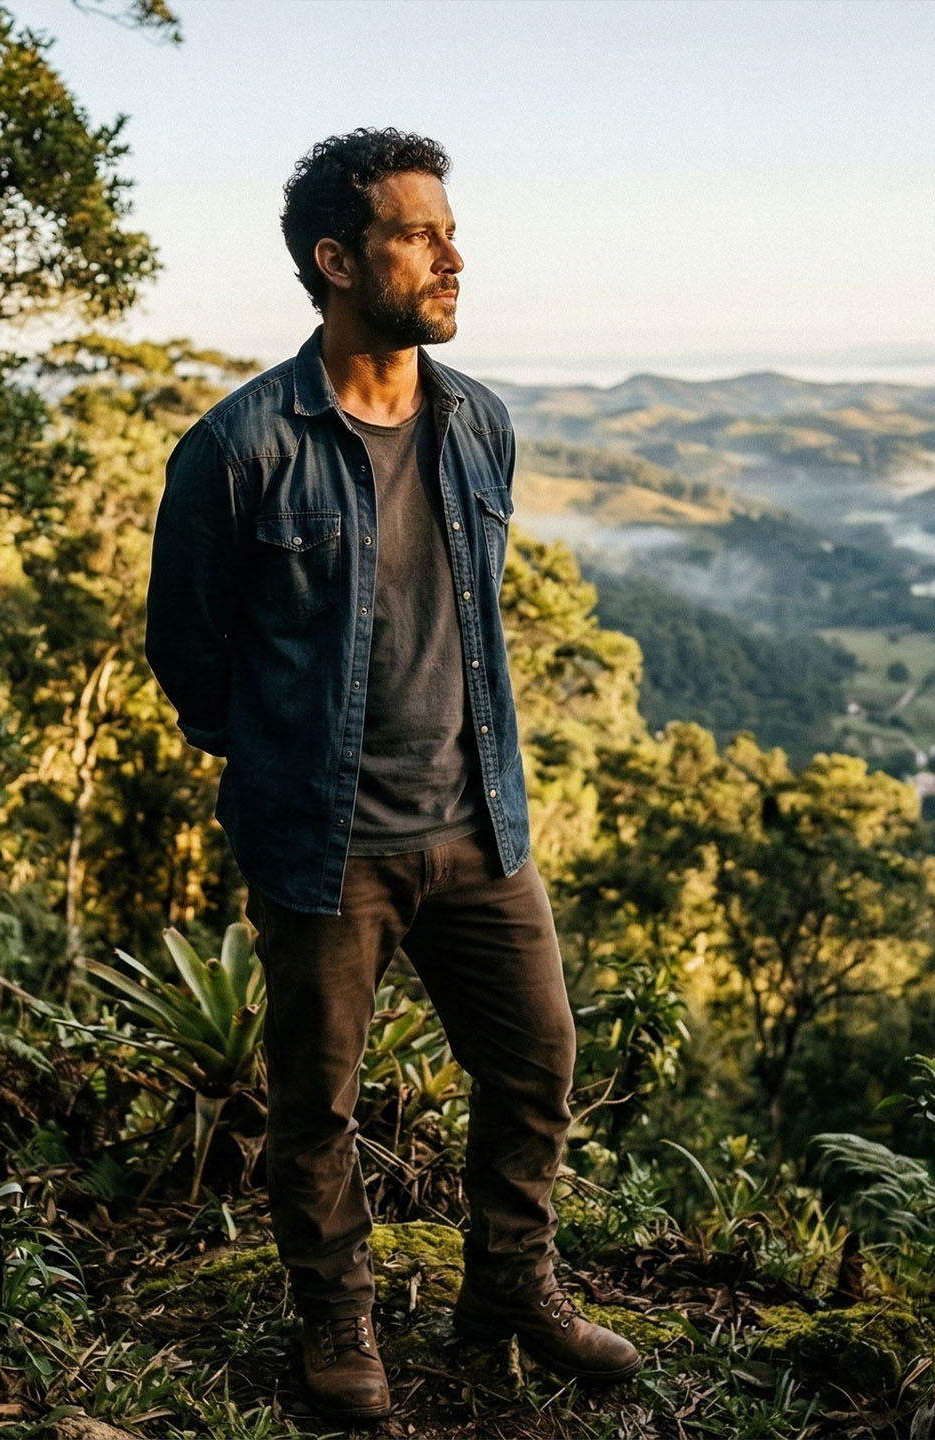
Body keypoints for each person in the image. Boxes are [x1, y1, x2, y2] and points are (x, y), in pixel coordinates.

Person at [145, 128, 641, 1424]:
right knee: (318, 1101)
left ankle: (511, 1289)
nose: (452, 257)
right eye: (418, 235)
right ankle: (335, 1319)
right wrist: (283, 763)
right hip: (326, 847)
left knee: (537, 1062)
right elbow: (189, 654)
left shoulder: (480, 424)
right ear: (337, 260)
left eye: (448, 231)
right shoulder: (240, 449)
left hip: (480, 823)